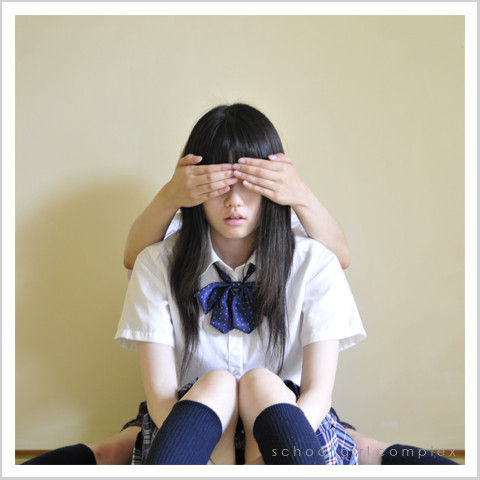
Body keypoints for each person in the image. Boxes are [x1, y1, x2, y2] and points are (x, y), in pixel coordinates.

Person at [22, 103, 458, 466]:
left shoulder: (311, 260)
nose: (234, 201)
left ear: (273, 187)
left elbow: (316, 395)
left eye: (250, 185)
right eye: (219, 185)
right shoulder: (158, 262)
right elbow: (161, 399)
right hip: (190, 416)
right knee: (202, 392)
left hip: (288, 416)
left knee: (274, 392)